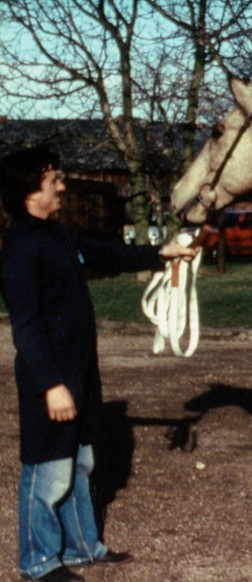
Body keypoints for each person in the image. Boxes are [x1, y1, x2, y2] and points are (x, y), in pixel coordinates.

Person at [0, 146, 196, 582]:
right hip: (51, 377)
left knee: (80, 463)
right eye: (55, 181)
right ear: (33, 190)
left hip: (79, 373)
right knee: (47, 468)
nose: (63, 186)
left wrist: (160, 254)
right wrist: (51, 385)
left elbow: (106, 253)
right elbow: (27, 326)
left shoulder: (56, 234)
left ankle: (83, 546)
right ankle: (38, 561)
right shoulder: (20, 247)